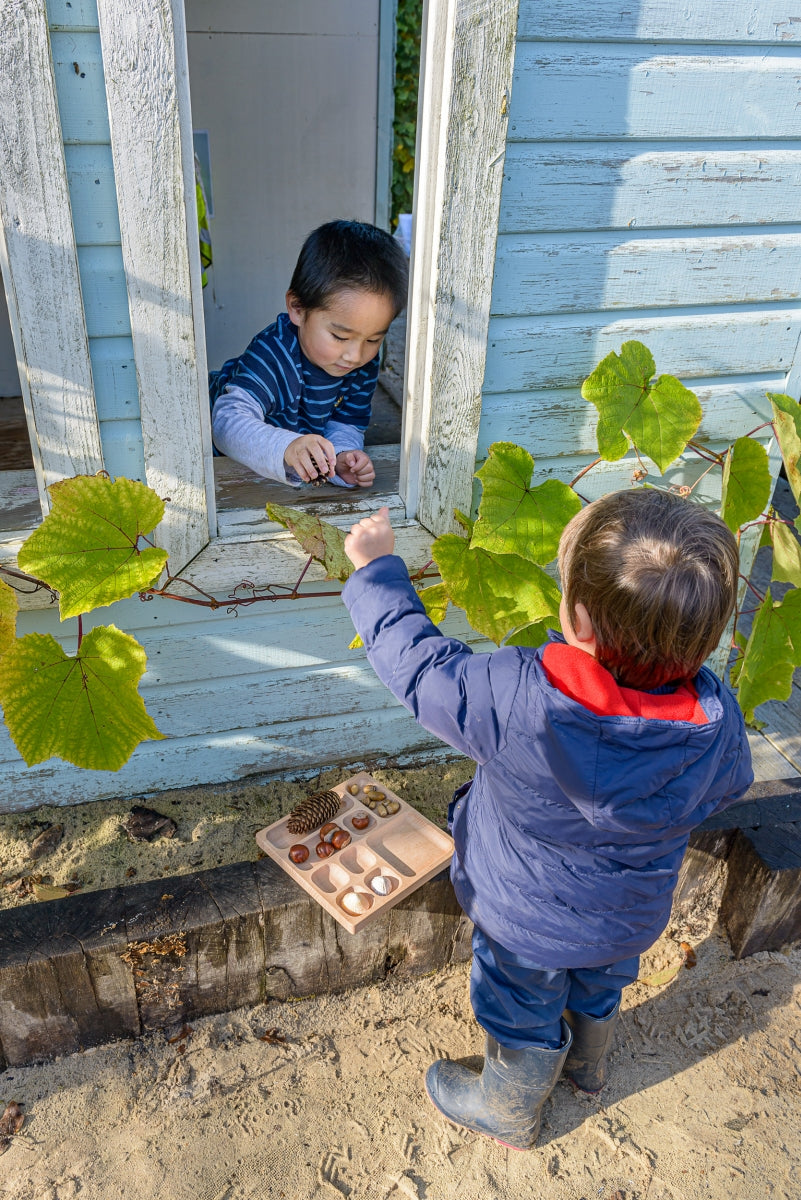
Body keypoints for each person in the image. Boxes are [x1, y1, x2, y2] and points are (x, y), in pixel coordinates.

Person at [341, 490, 753, 1151]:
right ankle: (587, 1067)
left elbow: (420, 670)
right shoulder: (714, 720)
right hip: (629, 913)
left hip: (522, 918)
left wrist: (375, 571)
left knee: (519, 1008)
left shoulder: (514, 696)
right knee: (600, 983)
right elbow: (731, 784)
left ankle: (507, 1108)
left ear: (578, 619)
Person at [210, 220, 408, 488]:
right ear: (298, 309)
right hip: (219, 458)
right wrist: (287, 446)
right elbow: (226, 422)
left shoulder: (363, 361)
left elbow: (345, 422)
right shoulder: (273, 353)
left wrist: (341, 457)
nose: (354, 355)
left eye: (374, 339)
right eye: (340, 336)